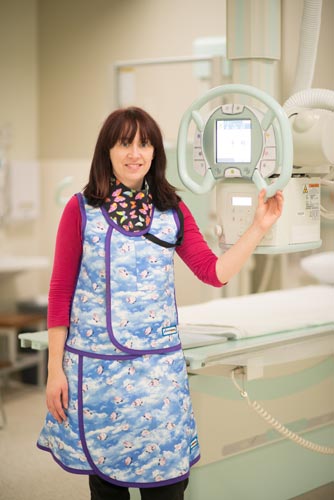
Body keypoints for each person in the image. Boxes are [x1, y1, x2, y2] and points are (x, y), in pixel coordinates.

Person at [38, 106, 284, 500]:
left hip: (158, 374)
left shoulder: (172, 209)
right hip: (98, 371)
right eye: (125, 143)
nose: (135, 152)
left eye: (144, 143)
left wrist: (258, 227)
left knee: (168, 484)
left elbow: (213, 271)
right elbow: (60, 291)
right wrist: (54, 371)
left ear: (155, 152)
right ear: (108, 151)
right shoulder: (81, 209)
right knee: (107, 484)